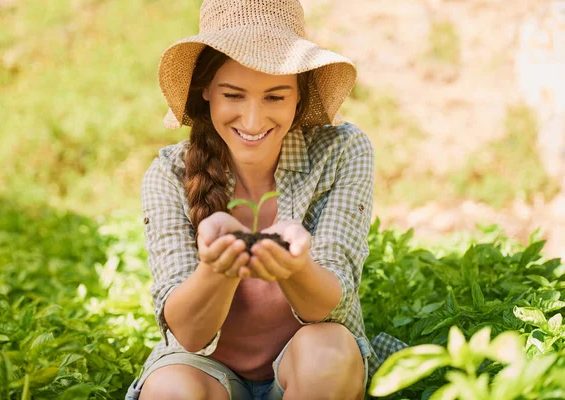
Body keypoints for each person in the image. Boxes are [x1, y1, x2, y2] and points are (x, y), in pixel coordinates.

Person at [126, 0, 407, 399]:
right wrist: (218, 267)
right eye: (234, 95)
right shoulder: (170, 174)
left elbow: (329, 308)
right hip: (207, 369)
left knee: (327, 357)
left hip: (304, 364)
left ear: (299, 94)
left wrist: (296, 268)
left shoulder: (341, 151)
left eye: (274, 97)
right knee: (171, 389)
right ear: (206, 90)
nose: (254, 121)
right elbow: (188, 334)